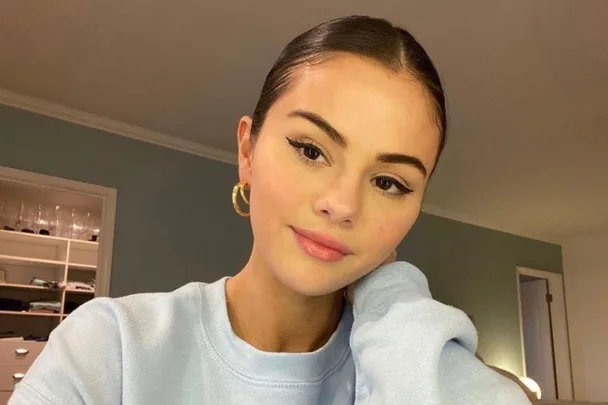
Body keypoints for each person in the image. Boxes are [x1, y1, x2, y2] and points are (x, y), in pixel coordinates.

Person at [9, 16, 531, 405]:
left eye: (390, 182)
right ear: (247, 151)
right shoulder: (110, 349)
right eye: (310, 150)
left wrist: (390, 295)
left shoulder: (420, 365)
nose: (342, 205)